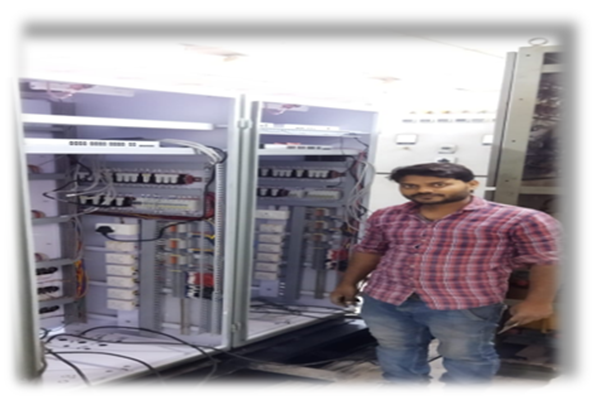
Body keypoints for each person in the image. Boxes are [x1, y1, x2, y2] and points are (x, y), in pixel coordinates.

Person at [329, 163, 560, 384]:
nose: (423, 190)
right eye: (410, 186)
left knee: (467, 358)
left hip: (463, 305)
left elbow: (546, 261)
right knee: (396, 352)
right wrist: (348, 283)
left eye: (438, 184)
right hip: (387, 300)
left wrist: (539, 302)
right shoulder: (387, 216)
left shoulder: (521, 219)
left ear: (472, 184)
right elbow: (370, 250)